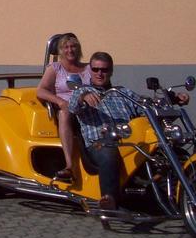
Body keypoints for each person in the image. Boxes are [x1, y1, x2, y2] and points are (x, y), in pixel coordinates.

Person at [69, 51, 189, 209]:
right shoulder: (82, 91)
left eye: (104, 70)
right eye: (96, 69)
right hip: (99, 143)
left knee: (165, 149)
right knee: (108, 153)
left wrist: (173, 99)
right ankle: (109, 200)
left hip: (128, 141)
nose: (99, 73)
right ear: (90, 70)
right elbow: (72, 107)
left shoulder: (122, 92)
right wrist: (83, 97)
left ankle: (179, 194)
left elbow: (145, 105)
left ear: (111, 71)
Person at [35, 32, 91, 182]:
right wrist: (59, 102)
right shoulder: (55, 68)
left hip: (89, 108)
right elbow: (41, 90)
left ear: (78, 49)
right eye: (66, 47)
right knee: (64, 113)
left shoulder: (89, 68)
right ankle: (69, 165)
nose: (70, 50)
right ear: (60, 50)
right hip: (68, 108)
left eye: (73, 46)